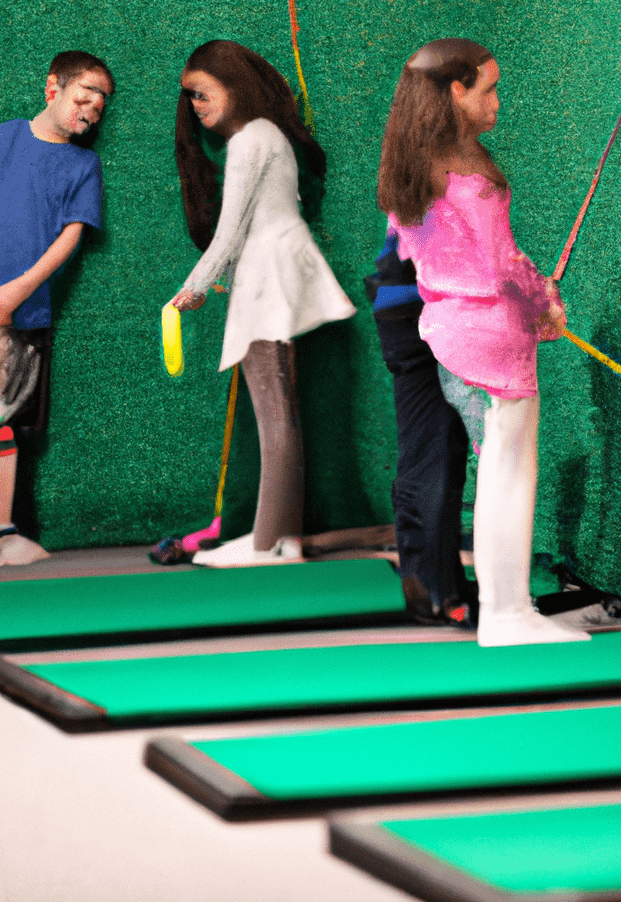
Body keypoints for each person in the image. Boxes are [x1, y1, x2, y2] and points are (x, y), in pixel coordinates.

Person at [378, 37, 589, 647]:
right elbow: (499, 266)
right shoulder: (467, 172)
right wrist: (542, 297)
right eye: (488, 88)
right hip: (490, 331)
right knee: (508, 469)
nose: (497, 101)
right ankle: (505, 611)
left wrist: (533, 294)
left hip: (447, 327)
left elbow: (433, 254)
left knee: (497, 464)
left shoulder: (415, 161)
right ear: (455, 90)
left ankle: (505, 607)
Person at [172, 40, 355, 567]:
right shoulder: (266, 136)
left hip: (268, 278)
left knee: (274, 415)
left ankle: (267, 544)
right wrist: (220, 275)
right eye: (191, 97)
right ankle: (282, 539)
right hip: (271, 271)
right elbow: (255, 220)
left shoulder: (251, 139)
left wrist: (197, 285)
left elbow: (231, 228)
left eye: (203, 94)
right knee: (282, 414)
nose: (196, 106)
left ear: (234, 87)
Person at [0, 51, 114, 565]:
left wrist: (17, 290)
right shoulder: (5, 137)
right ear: (53, 88)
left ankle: (4, 533)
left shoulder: (83, 164)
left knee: (4, 418)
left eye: (100, 106)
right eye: (83, 97)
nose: (90, 111)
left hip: (22, 318)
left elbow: (71, 238)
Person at [365, 227, 476, 626]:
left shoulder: (405, 172)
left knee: (424, 449)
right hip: (425, 303)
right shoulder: (442, 173)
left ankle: (430, 583)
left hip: (400, 300)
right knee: (437, 451)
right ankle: (439, 590)